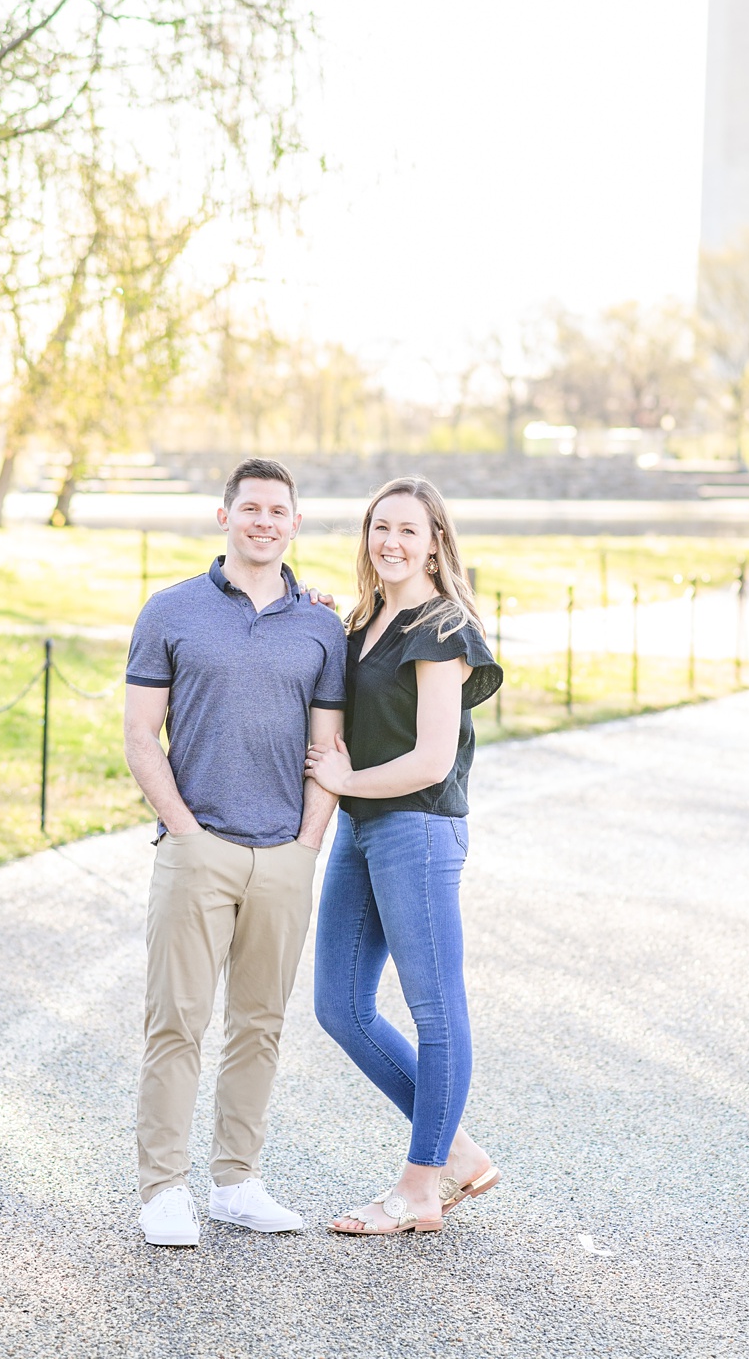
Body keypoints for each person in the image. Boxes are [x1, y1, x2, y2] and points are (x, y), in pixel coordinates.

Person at [123, 458, 348, 1247]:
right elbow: (140, 735)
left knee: (260, 1025)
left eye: (277, 510)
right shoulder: (171, 609)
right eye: (249, 507)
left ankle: (237, 1183)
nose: (263, 521)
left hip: (283, 856)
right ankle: (162, 1191)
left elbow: (329, 748)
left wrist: (307, 846)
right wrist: (182, 829)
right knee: (176, 1023)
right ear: (225, 515)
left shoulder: (322, 624)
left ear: (294, 523)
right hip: (197, 848)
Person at [308, 475, 504, 1236]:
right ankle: (455, 1151)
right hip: (363, 830)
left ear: (435, 542)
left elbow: (428, 759)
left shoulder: (442, 629)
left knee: (436, 1014)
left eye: (408, 530)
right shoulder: (367, 622)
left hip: (416, 830)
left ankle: (420, 1188)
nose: (390, 541)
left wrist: (346, 779)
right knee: (340, 1007)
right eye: (379, 527)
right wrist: (314, 619)